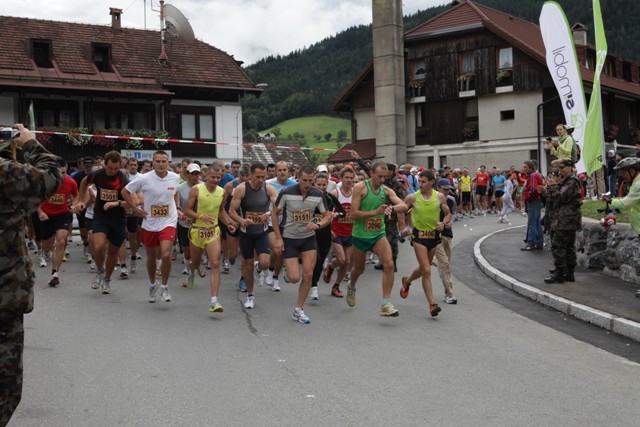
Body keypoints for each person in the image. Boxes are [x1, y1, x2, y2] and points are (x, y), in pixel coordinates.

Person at [0, 123, 62, 426]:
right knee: (5, 388)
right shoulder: (4, 174)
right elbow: (50, 176)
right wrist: (29, 143)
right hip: (3, 298)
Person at [271, 165, 332, 324]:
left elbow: (327, 216)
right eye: (304, 180)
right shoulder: (286, 193)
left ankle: (298, 309)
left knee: (308, 275)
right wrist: (278, 238)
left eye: (310, 181)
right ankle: (287, 270)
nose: (307, 184)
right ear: (298, 178)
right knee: (294, 278)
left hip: (308, 238)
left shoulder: (318, 194)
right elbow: (274, 213)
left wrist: (318, 225)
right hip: (289, 238)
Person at [346, 162, 408, 317]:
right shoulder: (360, 188)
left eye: (384, 177)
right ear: (371, 173)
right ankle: (351, 285)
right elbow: (353, 214)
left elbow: (404, 206)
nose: (382, 180)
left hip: (378, 234)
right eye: (379, 176)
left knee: (389, 265)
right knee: (359, 269)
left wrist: (391, 208)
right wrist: (375, 212)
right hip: (360, 235)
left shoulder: (386, 190)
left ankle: (386, 304)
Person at [121, 151, 180, 303]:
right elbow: (125, 191)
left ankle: (165, 287)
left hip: (168, 221)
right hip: (150, 222)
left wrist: (178, 208)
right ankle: (152, 284)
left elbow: (175, 192)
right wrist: (135, 209)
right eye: (158, 161)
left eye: (164, 161)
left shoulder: (174, 177)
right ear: (153, 163)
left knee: (166, 254)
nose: (161, 164)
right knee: (151, 256)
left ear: (168, 162)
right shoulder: (144, 178)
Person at [183, 165, 237, 312]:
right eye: (213, 177)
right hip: (197, 231)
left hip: (213, 231)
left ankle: (214, 301)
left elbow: (221, 212)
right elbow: (187, 210)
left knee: (214, 263)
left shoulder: (222, 192)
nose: (215, 180)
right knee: (195, 263)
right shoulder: (196, 190)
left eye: (218, 178)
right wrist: (200, 216)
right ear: (206, 175)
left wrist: (230, 224)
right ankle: (192, 271)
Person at [76, 151, 129, 294]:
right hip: (101, 216)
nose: (112, 171)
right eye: (110, 168)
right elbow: (84, 182)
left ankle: (107, 279)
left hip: (118, 219)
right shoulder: (97, 175)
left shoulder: (123, 178)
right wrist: (81, 199)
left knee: (112, 252)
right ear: (104, 164)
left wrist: (116, 203)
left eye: (116, 168)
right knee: (98, 245)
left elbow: (131, 202)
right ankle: (100, 270)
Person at [398, 171, 451, 317]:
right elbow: (401, 210)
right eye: (419, 181)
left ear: (432, 182)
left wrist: (443, 223)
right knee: (427, 270)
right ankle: (432, 304)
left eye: (423, 181)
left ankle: (407, 281)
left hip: (434, 236)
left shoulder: (439, 196)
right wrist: (403, 227)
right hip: (418, 236)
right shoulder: (412, 197)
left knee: (423, 268)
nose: (420, 184)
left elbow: (447, 214)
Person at [228, 162, 278, 309]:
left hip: (262, 232)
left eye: (263, 177)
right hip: (246, 234)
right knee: (247, 266)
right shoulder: (241, 189)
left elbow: (279, 205)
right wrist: (241, 220)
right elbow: (231, 211)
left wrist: (268, 213)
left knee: (265, 263)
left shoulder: (268, 188)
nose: (261, 180)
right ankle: (250, 295)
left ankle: (259, 269)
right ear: (250, 175)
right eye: (257, 177)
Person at [33, 158, 79, 286]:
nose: (62, 176)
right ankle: (45, 251)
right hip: (46, 216)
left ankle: (55, 273)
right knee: (46, 244)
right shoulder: (45, 182)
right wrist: (40, 212)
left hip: (62, 215)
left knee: (61, 240)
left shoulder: (70, 182)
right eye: (59, 173)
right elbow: (36, 198)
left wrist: (74, 205)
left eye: (64, 173)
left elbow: (76, 195)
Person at [602, 157, 640, 296]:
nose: (622, 175)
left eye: (624, 171)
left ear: (632, 170)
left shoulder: (638, 185)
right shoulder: (636, 182)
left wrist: (610, 200)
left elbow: (625, 203)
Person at [543, 159, 582, 283]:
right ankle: (567, 272)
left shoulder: (572, 181)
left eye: (563, 168)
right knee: (568, 246)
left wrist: (552, 189)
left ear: (570, 167)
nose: (561, 170)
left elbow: (562, 197)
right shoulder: (565, 181)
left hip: (567, 218)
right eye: (559, 168)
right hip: (565, 217)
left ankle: (562, 272)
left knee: (558, 245)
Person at [323, 167, 356, 297]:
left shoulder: (356, 193)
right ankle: (331, 266)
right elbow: (326, 213)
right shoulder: (335, 193)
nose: (349, 180)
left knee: (347, 262)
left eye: (351, 178)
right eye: (346, 178)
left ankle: (336, 286)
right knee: (341, 259)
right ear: (341, 179)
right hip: (337, 232)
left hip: (351, 232)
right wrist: (329, 229)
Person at [521, 160, 544, 251]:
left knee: (532, 223)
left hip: (533, 201)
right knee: (537, 223)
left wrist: (529, 198)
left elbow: (533, 188)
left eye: (525, 167)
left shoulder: (533, 176)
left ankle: (531, 243)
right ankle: (539, 243)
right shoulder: (535, 175)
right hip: (537, 200)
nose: (524, 169)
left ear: (531, 168)